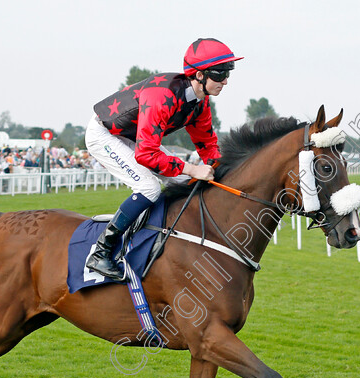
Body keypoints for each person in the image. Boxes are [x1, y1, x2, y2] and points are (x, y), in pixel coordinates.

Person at [84, 38, 242, 280]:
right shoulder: (162, 96)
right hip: (105, 134)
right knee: (148, 187)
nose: (226, 81)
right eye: (220, 74)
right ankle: (101, 252)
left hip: (133, 137)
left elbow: (208, 147)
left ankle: (157, 240)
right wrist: (191, 169)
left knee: (174, 183)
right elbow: (146, 153)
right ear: (199, 75)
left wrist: (227, 174)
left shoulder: (200, 103)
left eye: (228, 73)